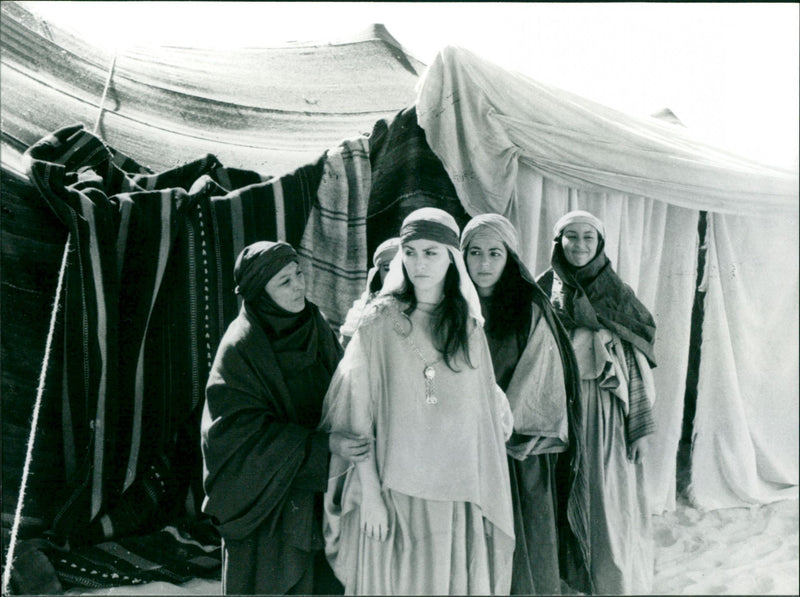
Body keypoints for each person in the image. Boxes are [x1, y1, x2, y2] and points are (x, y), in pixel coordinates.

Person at [320, 207, 515, 595]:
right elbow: (358, 419)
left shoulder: (469, 328)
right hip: (394, 492)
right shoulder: (377, 323)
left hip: (454, 497)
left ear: (451, 257)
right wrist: (371, 496)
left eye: (431, 252)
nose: (419, 263)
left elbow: (483, 421)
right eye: (411, 252)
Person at [200, 240, 371, 595]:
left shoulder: (314, 325)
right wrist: (321, 445)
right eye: (284, 281)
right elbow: (234, 440)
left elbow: (344, 387)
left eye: (298, 275)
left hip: (318, 491)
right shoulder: (240, 350)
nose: (299, 287)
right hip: (268, 505)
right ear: (259, 291)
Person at [461, 213, 582, 595]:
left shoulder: (529, 308)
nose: (484, 263)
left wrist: (497, 427)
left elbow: (541, 378)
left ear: (510, 257)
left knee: (522, 538)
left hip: (519, 447)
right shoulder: (451, 306)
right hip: (463, 443)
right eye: (475, 252)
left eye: (494, 253)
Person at [536, 210, 657, 595]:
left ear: (600, 243)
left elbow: (635, 367)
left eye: (588, 237)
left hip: (605, 411)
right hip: (559, 407)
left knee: (606, 497)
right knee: (562, 491)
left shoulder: (617, 294)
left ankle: (611, 579)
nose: (579, 245)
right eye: (571, 236)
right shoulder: (542, 288)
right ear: (558, 242)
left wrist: (638, 428)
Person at [339, 237, 400, 347]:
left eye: (399, 268)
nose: (393, 274)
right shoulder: (361, 310)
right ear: (378, 273)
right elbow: (345, 350)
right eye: (387, 269)